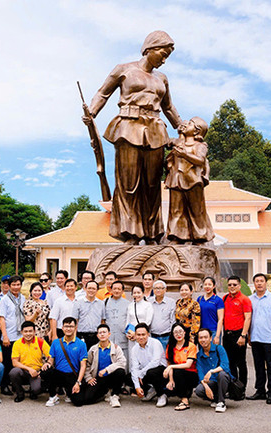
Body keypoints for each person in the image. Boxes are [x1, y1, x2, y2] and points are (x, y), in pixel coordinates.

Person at [85, 30, 182, 245]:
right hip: (128, 128)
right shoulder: (124, 70)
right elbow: (103, 93)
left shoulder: (162, 79)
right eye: (162, 54)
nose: (164, 60)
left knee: (152, 185)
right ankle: (129, 233)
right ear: (149, 48)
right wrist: (92, 112)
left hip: (155, 130)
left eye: (167, 56)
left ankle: (152, 234)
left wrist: (181, 127)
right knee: (129, 184)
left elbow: (168, 107)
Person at [165, 116, 214, 244]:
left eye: (191, 123)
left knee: (196, 210)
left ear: (197, 131)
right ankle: (177, 236)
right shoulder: (178, 143)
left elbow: (200, 160)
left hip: (193, 181)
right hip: (176, 180)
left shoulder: (200, 146)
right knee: (176, 210)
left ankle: (200, 236)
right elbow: (166, 142)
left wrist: (184, 154)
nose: (186, 123)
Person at [247, 273, 271, 404]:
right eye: (257, 281)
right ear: (254, 284)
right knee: (258, 366)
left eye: (261, 281)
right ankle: (260, 391)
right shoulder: (250, 299)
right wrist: (249, 335)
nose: (259, 283)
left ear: (265, 283)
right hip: (255, 337)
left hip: (269, 338)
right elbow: (248, 319)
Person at [42, 317, 88, 407]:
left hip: (72, 375)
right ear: (62, 328)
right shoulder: (56, 343)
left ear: (75, 328)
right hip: (59, 374)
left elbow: (83, 365)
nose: (68, 329)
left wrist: (78, 383)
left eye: (71, 326)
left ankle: (68, 392)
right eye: (66, 326)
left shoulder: (81, 344)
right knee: (45, 372)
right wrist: (47, 364)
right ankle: (53, 396)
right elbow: (51, 360)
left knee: (78, 402)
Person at [83, 324, 127, 407]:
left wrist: (107, 369)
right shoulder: (93, 349)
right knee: (87, 399)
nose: (102, 334)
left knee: (120, 371)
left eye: (104, 332)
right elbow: (87, 365)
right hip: (98, 378)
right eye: (100, 333)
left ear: (109, 334)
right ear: (97, 335)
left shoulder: (116, 348)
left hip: (111, 377)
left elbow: (122, 362)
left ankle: (114, 395)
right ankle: (105, 392)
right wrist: (88, 378)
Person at [9, 321, 51, 402]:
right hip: (23, 371)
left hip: (36, 373)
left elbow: (51, 355)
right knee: (13, 372)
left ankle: (33, 392)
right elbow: (15, 362)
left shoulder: (40, 341)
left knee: (37, 389)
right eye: (25, 331)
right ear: (22, 332)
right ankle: (20, 394)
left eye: (30, 331)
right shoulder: (17, 344)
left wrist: (47, 363)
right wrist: (29, 369)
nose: (28, 334)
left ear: (34, 331)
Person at [222, 276, 252, 387]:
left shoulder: (244, 299)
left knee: (241, 363)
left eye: (234, 285)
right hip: (227, 335)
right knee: (230, 362)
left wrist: (243, 335)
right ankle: (233, 387)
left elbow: (248, 318)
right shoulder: (225, 298)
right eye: (230, 285)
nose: (232, 287)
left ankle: (242, 387)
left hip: (239, 334)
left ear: (239, 286)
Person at [0, 275, 26, 394]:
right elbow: (2, 318)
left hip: (21, 336)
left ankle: (16, 385)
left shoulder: (23, 298)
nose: (16, 287)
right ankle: (4, 385)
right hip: (9, 335)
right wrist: (4, 335)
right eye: (13, 285)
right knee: (7, 362)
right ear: (9, 286)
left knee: (19, 361)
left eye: (18, 284)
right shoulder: (4, 300)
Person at [130, 323, 168, 405]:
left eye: (143, 334)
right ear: (135, 336)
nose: (141, 337)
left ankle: (161, 395)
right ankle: (152, 389)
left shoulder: (155, 343)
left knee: (151, 372)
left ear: (148, 334)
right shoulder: (135, 349)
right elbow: (134, 368)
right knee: (129, 377)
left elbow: (155, 362)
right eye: (138, 335)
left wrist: (141, 374)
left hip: (161, 371)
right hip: (145, 372)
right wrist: (137, 387)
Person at [195, 328, 231, 413]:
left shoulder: (219, 348)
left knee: (222, 374)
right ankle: (215, 399)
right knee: (199, 390)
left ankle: (221, 402)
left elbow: (225, 366)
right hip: (212, 383)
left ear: (211, 338)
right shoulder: (199, 355)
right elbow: (200, 375)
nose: (203, 340)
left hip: (225, 381)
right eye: (201, 338)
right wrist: (206, 387)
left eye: (205, 337)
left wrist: (211, 371)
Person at [163, 323, 198, 411]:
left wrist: (171, 367)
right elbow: (169, 364)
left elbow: (188, 364)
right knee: (165, 374)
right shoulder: (170, 347)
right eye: (175, 332)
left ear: (185, 332)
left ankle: (185, 400)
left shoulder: (191, 346)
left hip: (191, 374)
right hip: (177, 373)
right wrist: (171, 380)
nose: (178, 334)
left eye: (180, 332)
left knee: (178, 372)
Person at [104, 280, 130, 374]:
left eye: (119, 289)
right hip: (109, 338)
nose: (117, 291)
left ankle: (124, 384)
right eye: (114, 288)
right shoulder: (105, 302)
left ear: (123, 291)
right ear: (111, 290)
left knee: (123, 361)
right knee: (108, 361)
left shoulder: (128, 304)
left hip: (122, 337)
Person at [75, 280, 106, 348]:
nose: (91, 290)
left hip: (96, 336)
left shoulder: (101, 303)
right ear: (85, 289)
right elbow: (75, 320)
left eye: (93, 288)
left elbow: (102, 321)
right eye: (89, 288)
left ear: (97, 290)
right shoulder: (78, 302)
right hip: (81, 335)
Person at [127, 286, 153, 355]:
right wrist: (129, 333)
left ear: (143, 293)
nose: (136, 295)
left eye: (138, 292)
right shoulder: (130, 305)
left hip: (142, 335)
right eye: (134, 293)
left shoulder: (148, 305)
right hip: (132, 336)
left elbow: (148, 321)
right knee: (133, 355)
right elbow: (128, 321)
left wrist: (137, 334)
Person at [197, 277, 224, 345]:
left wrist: (217, 336)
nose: (207, 286)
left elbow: (220, 319)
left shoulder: (218, 300)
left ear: (214, 286)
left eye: (209, 284)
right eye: (205, 284)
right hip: (201, 332)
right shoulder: (199, 299)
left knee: (213, 353)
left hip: (213, 331)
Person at [150, 280, 176, 349]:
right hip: (152, 337)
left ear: (165, 289)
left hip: (166, 337)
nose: (158, 290)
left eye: (160, 288)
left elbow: (172, 320)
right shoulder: (148, 301)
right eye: (156, 288)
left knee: (165, 358)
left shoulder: (171, 302)